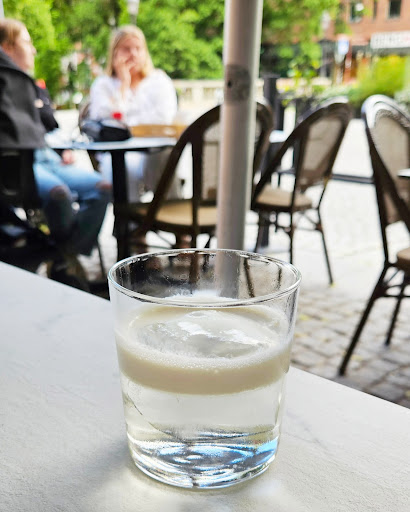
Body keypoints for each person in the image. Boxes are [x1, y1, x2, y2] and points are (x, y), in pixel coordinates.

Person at [0, 18, 111, 262]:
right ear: (7, 47)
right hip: (22, 163)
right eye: (27, 42)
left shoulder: (34, 87)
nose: (33, 50)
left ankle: (63, 256)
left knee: (102, 188)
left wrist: (62, 151)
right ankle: (64, 260)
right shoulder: (7, 85)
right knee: (59, 194)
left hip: (49, 156)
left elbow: (50, 126)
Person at [89, 25, 179, 203]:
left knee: (163, 160)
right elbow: (107, 122)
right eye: (126, 49)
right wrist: (123, 85)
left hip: (154, 150)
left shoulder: (159, 81)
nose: (133, 54)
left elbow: (164, 119)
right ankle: (131, 219)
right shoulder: (103, 85)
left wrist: (128, 123)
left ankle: (173, 214)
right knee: (124, 169)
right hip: (118, 153)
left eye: (138, 48)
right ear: (114, 53)